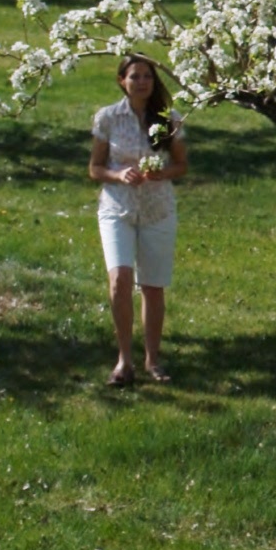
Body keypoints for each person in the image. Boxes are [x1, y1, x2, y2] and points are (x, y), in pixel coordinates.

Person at [88, 54, 188, 386]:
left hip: (157, 209)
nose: (142, 82)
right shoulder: (108, 119)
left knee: (152, 285)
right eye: (135, 77)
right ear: (122, 81)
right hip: (118, 208)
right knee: (119, 281)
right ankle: (124, 361)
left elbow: (180, 166)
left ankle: (152, 360)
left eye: (147, 76)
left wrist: (158, 173)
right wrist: (118, 175)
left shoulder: (168, 118)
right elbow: (95, 168)